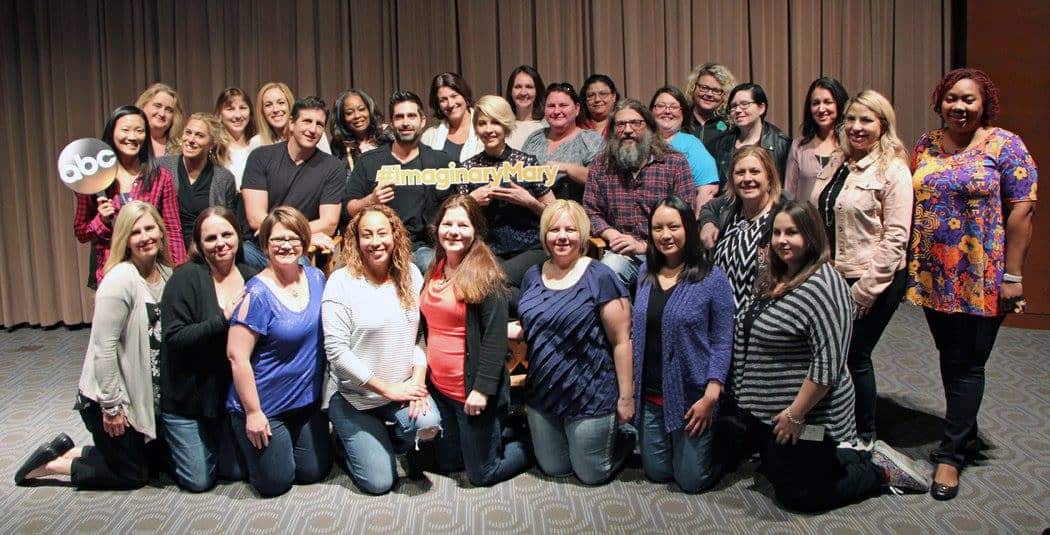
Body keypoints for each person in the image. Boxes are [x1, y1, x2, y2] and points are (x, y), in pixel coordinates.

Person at [732, 200, 930, 512]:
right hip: (771, 410)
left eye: (793, 233)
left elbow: (828, 364)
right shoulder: (773, 276)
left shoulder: (825, 284)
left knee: (800, 497)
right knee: (774, 470)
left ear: (811, 237)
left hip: (809, 413)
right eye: (777, 233)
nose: (782, 240)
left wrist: (796, 414)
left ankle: (878, 470)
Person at [907, 68, 1038, 500]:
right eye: (951, 99)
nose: (958, 107)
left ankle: (951, 456)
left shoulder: (1005, 145)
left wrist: (1013, 277)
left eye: (968, 100)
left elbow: (1023, 212)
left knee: (969, 364)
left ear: (984, 105)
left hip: (983, 276)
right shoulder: (926, 144)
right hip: (934, 273)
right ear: (939, 101)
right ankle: (965, 431)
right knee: (950, 356)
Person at [16, 202, 174, 488]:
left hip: (142, 395)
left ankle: (70, 449)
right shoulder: (119, 280)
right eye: (135, 232)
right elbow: (104, 348)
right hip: (108, 397)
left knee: (159, 465)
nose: (145, 236)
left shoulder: (166, 274)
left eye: (150, 228)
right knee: (133, 475)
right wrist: (112, 407)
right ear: (124, 240)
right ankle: (52, 465)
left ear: (161, 231)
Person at [809, 90, 912, 449]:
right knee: (830, 353)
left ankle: (864, 435)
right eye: (850, 119)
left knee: (854, 355)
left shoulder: (892, 169)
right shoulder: (838, 160)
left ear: (883, 125)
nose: (856, 127)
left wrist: (864, 292)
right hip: (832, 275)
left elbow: (896, 238)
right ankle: (834, 425)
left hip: (873, 279)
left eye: (866, 120)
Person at [322, 204, 441, 495]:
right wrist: (387, 389)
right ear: (356, 240)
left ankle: (388, 441)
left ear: (395, 235)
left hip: (399, 391)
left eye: (382, 233)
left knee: (429, 424)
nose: (375, 242)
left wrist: (416, 380)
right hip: (354, 398)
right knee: (379, 483)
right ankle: (347, 440)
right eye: (367, 235)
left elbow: (418, 337)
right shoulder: (341, 282)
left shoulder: (411, 274)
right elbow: (336, 351)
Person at [513, 200, 634, 485]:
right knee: (555, 469)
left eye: (570, 229)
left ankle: (625, 437)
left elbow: (621, 342)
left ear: (582, 235)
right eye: (554, 229)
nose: (562, 236)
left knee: (591, 474)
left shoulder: (601, 277)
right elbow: (532, 326)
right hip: (543, 394)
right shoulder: (533, 275)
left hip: (589, 393)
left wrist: (626, 398)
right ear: (545, 235)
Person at [422, 195, 532, 486]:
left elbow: (495, 340)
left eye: (463, 225)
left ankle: (532, 441)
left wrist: (482, 391)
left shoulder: (485, 276)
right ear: (437, 228)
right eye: (447, 224)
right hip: (440, 389)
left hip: (471, 391)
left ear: (476, 232)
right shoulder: (435, 267)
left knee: (482, 474)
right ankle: (495, 433)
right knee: (448, 463)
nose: (454, 231)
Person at [226, 206, 332, 497]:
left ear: (304, 241)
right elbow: (237, 357)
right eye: (277, 240)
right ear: (265, 245)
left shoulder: (315, 278)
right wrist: (253, 412)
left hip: (304, 403)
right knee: (276, 484)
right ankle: (237, 445)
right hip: (265, 406)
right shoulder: (257, 294)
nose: (286, 245)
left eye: (293, 238)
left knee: (313, 472)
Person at [632, 196, 734, 492]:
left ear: (688, 227)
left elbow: (723, 339)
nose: (666, 235)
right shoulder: (644, 273)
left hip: (693, 396)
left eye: (674, 227)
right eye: (658, 228)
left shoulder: (712, 278)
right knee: (658, 473)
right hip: (650, 396)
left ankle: (729, 438)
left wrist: (711, 395)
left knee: (690, 481)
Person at [159, 207, 256, 492]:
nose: (220, 243)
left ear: (238, 236)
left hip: (226, 400)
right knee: (199, 481)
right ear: (199, 244)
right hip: (187, 401)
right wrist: (222, 319)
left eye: (227, 234)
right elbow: (174, 337)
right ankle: (159, 448)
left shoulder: (252, 276)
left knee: (236, 472)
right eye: (211, 238)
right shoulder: (185, 278)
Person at [583, 99, 696, 288]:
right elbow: (590, 211)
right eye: (621, 124)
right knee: (607, 272)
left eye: (636, 123)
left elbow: (687, 216)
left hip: (667, 253)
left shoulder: (674, 162)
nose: (628, 130)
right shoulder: (601, 166)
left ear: (650, 128)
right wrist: (612, 235)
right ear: (612, 131)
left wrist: (644, 246)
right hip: (621, 254)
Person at [73, 105, 187, 288]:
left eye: (139, 131)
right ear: (112, 133)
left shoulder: (160, 177)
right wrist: (101, 221)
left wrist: (180, 271)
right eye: (125, 130)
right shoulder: (93, 176)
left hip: (154, 271)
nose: (132, 137)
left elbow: (172, 229)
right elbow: (81, 232)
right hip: (112, 271)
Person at [346, 90, 455, 274]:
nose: (405, 122)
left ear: (422, 121)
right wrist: (371, 200)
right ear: (392, 123)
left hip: (422, 248)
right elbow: (349, 208)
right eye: (399, 117)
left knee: (434, 265)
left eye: (411, 116)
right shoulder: (369, 162)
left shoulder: (441, 163)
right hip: (378, 246)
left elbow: (455, 208)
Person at [462, 95, 554, 305]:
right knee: (484, 291)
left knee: (488, 283)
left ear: (506, 124)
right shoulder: (468, 168)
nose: (489, 129)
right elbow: (454, 216)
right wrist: (471, 201)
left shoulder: (527, 162)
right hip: (488, 250)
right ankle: (539, 306)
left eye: (495, 122)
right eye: (482, 123)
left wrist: (528, 201)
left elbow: (555, 214)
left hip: (530, 248)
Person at [241, 96, 344, 269]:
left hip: (298, 249)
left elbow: (329, 223)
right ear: (292, 123)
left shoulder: (333, 167)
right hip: (257, 247)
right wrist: (298, 233)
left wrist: (290, 238)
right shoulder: (260, 157)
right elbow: (255, 217)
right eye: (307, 121)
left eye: (319, 124)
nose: (313, 129)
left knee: (297, 265)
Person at [699, 146, 788, 309]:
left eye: (754, 171)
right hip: (722, 321)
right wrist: (707, 224)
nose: (747, 178)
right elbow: (708, 208)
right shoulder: (728, 208)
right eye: (740, 173)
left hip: (761, 320)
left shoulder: (783, 216)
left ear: (769, 177)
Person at [158, 112, 239, 248]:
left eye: (199, 135)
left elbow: (229, 224)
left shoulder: (224, 178)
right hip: (168, 248)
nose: (191, 139)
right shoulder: (162, 166)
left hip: (209, 250)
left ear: (211, 144)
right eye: (188, 133)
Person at [521, 83, 603, 203]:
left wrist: (565, 168)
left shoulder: (590, 140)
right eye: (551, 106)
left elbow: (601, 179)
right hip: (531, 214)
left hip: (574, 216)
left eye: (563, 105)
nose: (557, 111)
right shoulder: (535, 138)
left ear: (577, 109)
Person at [649, 86, 720, 207]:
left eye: (674, 107)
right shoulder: (639, 141)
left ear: (683, 113)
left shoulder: (691, 145)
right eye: (661, 106)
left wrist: (697, 222)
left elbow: (707, 190)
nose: (667, 111)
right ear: (651, 111)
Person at [709, 83, 792, 187]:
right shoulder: (721, 143)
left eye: (744, 104)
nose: (738, 110)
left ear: (761, 108)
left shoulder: (781, 144)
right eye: (734, 106)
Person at [785, 77, 849, 201]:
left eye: (828, 102)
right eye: (815, 103)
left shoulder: (851, 145)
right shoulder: (799, 146)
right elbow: (789, 194)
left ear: (839, 104)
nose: (821, 109)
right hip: (806, 219)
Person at [249, 82, 332, 153]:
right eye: (268, 105)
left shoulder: (313, 133)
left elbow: (328, 168)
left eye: (281, 103)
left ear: (290, 106)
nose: (275, 109)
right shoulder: (257, 143)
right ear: (262, 111)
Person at [421, 72, 482, 163]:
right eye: (443, 100)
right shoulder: (429, 136)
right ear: (437, 105)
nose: (451, 104)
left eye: (454, 96)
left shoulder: (487, 128)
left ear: (465, 95)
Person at [330, 89, 392, 171]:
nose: (357, 116)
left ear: (370, 110)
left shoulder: (388, 135)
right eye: (349, 113)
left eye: (361, 109)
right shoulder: (338, 146)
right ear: (342, 118)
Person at [684, 63, 736, 146]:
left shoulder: (731, 124)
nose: (709, 94)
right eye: (704, 88)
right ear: (693, 88)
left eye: (716, 91)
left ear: (725, 95)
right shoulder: (680, 119)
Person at [215, 87, 257, 188]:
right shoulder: (213, 149)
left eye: (243, 108)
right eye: (230, 109)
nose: (238, 115)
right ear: (220, 114)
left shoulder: (258, 145)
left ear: (250, 113)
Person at [504, 65, 547, 149]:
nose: (523, 92)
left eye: (529, 87)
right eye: (518, 87)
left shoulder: (547, 127)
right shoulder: (502, 125)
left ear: (537, 91)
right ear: (510, 91)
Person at [135, 83, 184, 156]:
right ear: (143, 106)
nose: (162, 114)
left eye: (168, 110)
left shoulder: (180, 149)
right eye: (157, 106)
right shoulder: (129, 142)